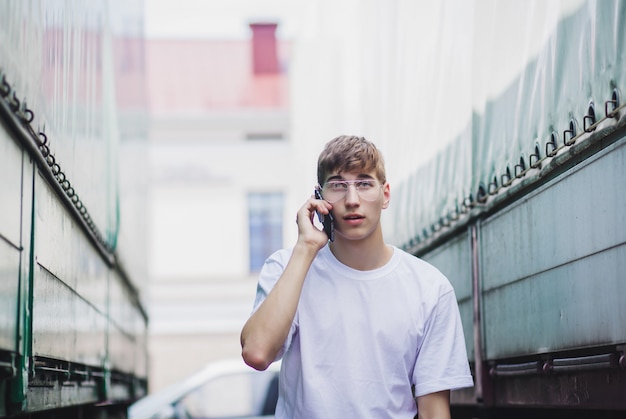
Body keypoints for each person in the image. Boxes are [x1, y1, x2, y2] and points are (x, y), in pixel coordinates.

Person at [240, 135, 473, 418]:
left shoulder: (430, 288)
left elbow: (434, 412)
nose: (352, 200)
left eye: (364, 184)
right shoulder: (286, 268)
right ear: (318, 197)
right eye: (338, 185)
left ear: (385, 194)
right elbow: (257, 353)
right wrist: (306, 248)